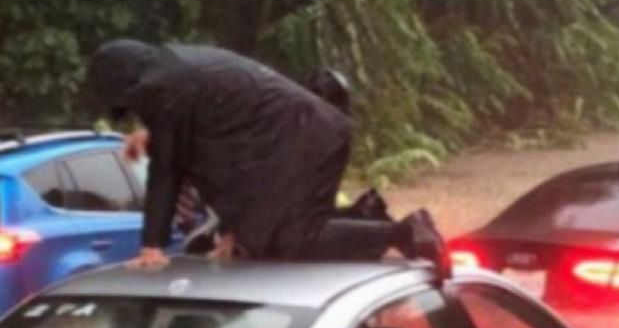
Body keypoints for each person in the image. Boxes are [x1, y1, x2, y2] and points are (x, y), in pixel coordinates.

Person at [86, 40, 448, 272]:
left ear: (128, 84)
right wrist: (232, 230)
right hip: (293, 136)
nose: (131, 109)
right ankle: (369, 218)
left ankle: (404, 231)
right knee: (265, 238)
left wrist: (152, 246)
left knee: (292, 239)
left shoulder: (163, 88)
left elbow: (168, 168)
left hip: (301, 137)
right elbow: (213, 160)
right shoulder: (174, 72)